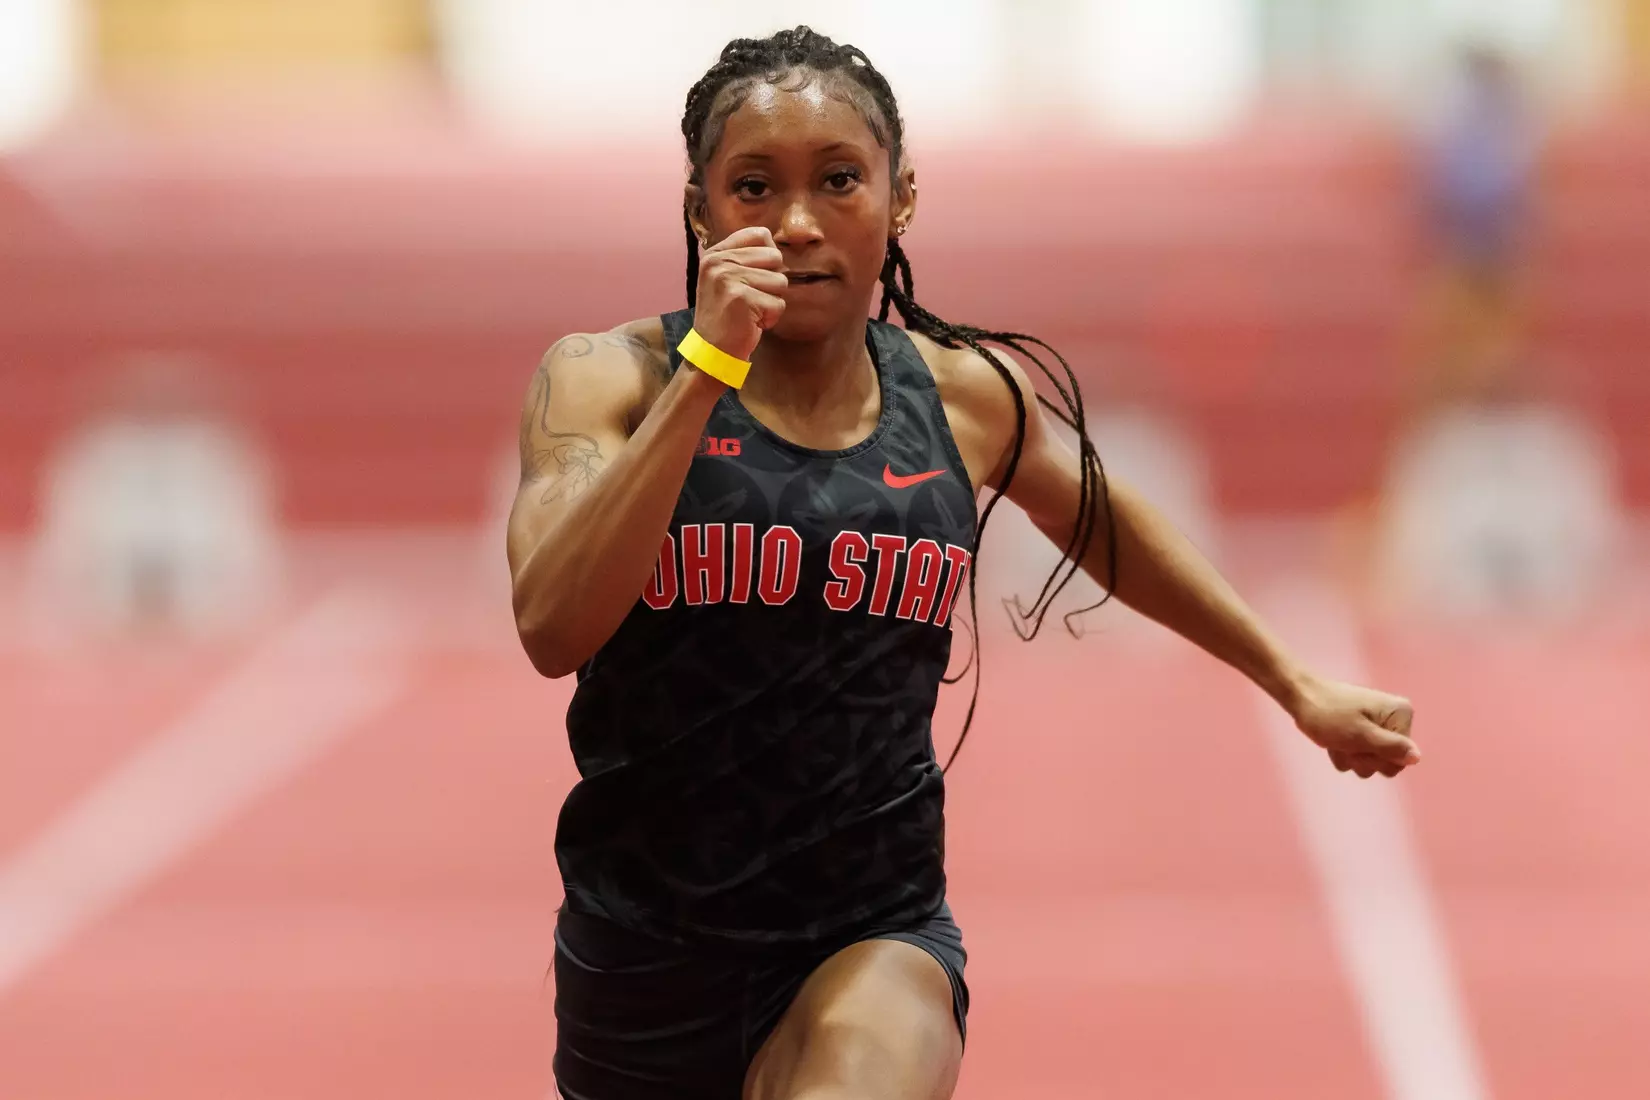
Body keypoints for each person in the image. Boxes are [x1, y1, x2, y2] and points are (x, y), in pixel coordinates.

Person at [506, 27, 1420, 1100]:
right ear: (700, 211)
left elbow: (1110, 525)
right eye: (754, 186)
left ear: (899, 200)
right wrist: (707, 369)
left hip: (868, 928)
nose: (796, 221)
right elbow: (553, 624)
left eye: (839, 179)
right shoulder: (606, 379)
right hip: (646, 958)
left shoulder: (962, 397)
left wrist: (1293, 679)